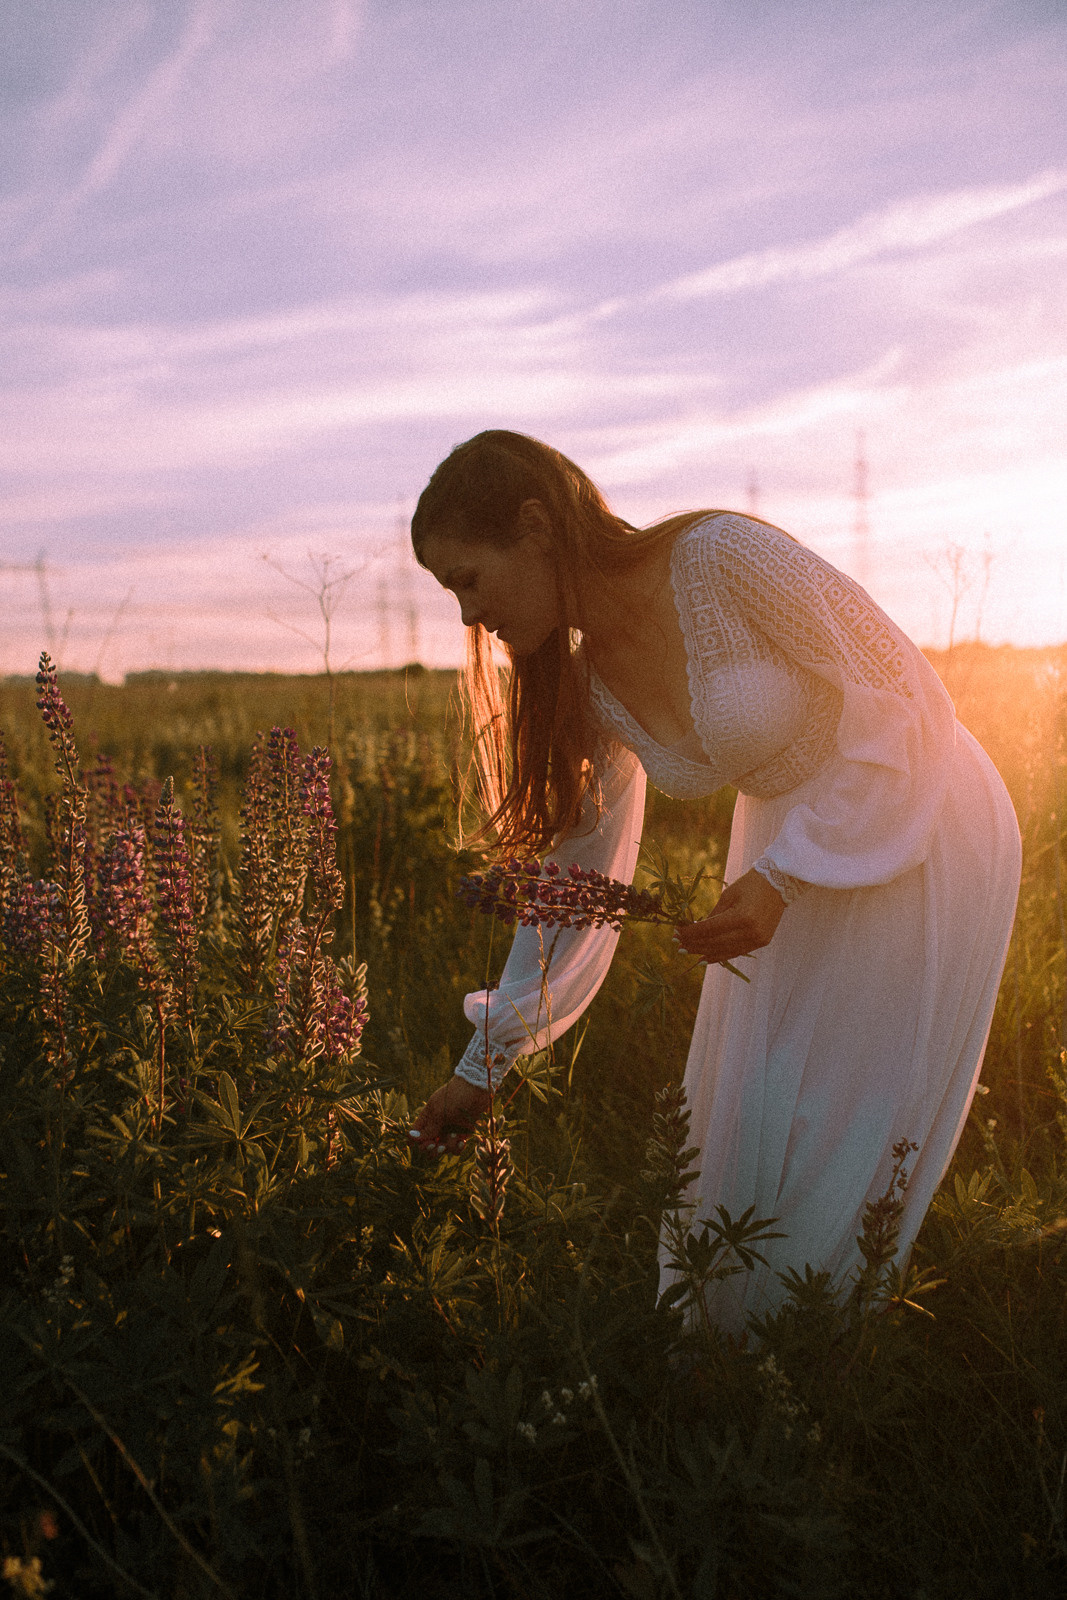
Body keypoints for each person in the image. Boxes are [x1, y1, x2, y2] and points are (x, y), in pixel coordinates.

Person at [407, 428, 1021, 1330]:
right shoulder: (584, 683)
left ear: (534, 527)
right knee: (761, 1105)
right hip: (785, 854)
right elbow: (572, 888)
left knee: (846, 1111)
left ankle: (820, 1349)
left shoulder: (718, 557)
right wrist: (481, 1066)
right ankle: (742, 1360)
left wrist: (786, 876)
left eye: (467, 578)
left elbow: (900, 691)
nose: (466, 615)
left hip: (917, 811)